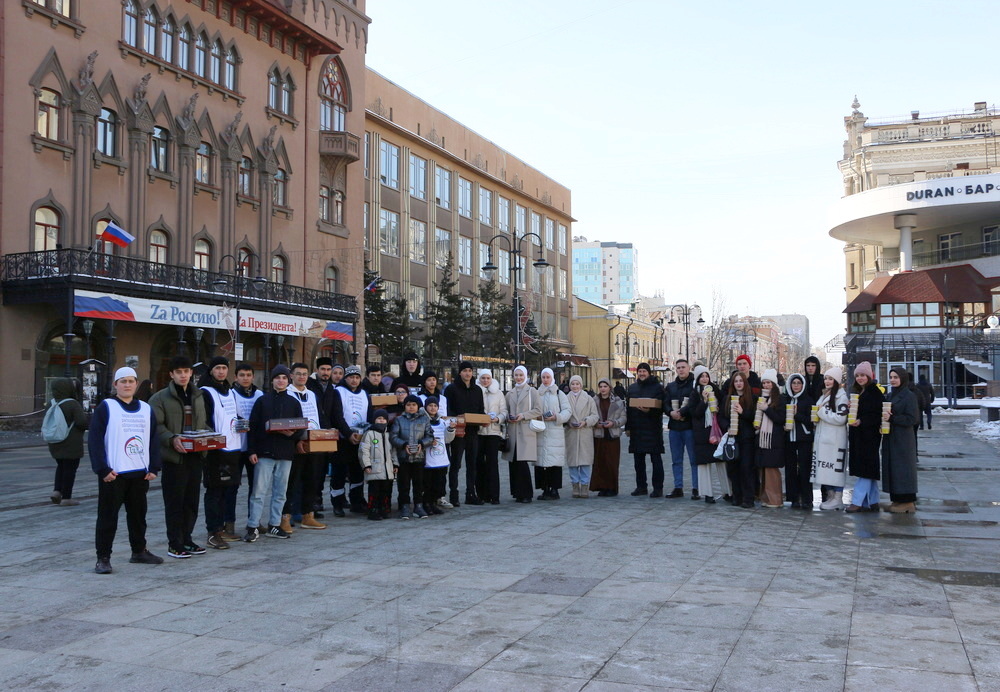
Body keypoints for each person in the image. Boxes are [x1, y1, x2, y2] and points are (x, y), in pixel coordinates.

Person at [90, 367, 163, 574]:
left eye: (131, 381)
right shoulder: (106, 407)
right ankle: (103, 557)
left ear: (136, 384)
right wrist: (102, 469)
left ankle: (139, 551)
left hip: (139, 472)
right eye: (123, 381)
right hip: (114, 474)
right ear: (116, 384)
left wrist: (154, 466)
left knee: (138, 516)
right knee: (107, 518)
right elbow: (95, 440)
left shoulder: (146, 409)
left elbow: (153, 439)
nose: (127, 385)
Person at [149, 356, 208, 559]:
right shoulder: (159, 398)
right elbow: (156, 425)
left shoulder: (198, 395)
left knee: (191, 501)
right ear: (171, 374)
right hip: (174, 458)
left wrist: (211, 436)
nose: (183, 375)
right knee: (175, 502)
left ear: (191, 373)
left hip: (195, 456)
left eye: (186, 371)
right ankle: (174, 544)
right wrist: (171, 438)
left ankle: (187, 540)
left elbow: (202, 423)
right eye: (179, 372)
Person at [245, 365, 305, 540]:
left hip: (285, 453)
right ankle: (253, 526)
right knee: (258, 492)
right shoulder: (262, 401)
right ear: (272, 380)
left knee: (280, 492)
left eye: (284, 378)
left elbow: (300, 427)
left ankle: (275, 524)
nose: (281, 381)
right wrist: (252, 451)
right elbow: (253, 427)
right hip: (265, 452)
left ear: (288, 380)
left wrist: (292, 434)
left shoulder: (294, 402)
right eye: (278, 377)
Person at [198, 356, 242, 549]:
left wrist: (241, 424)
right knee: (214, 491)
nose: (221, 371)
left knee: (227, 490)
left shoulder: (230, 391)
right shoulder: (205, 391)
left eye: (224, 368)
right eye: (218, 368)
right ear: (211, 371)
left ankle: (222, 528)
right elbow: (204, 420)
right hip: (215, 450)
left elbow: (232, 415)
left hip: (232, 446)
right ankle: (213, 532)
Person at [282, 362, 327, 532]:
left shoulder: (312, 394)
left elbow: (318, 416)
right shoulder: (287, 394)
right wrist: (297, 440)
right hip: (294, 443)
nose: (301, 377)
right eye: (298, 373)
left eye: (304, 374)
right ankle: (286, 517)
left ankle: (308, 515)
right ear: (291, 376)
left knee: (312, 480)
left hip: (313, 442)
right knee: (291, 482)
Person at [683, 366, 729, 504]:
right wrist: (704, 401)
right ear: (697, 378)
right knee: (704, 464)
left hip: (717, 431)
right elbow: (695, 413)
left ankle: (728, 492)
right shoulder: (694, 393)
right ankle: (708, 493)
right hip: (702, 433)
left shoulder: (716, 391)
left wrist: (719, 411)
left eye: (706, 376)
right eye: (702, 376)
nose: (705, 379)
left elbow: (724, 406)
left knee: (722, 462)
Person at [444, 361, 486, 506]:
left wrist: (484, 419)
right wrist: (458, 419)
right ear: (460, 372)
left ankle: (470, 493)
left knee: (472, 464)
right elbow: (448, 410)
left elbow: (481, 410)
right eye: (465, 370)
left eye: (470, 370)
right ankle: (453, 494)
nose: (467, 373)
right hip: (458, 432)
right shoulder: (451, 389)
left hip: (473, 431)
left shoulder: (477, 390)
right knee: (456, 464)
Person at [227, 363, 262, 534]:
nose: (245, 378)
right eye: (242, 375)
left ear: (253, 377)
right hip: (236, 447)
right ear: (235, 377)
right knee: (232, 487)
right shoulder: (230, 394)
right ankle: (229, 524)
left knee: (256, 488)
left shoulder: (259, 395)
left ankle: (254, 521)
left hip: (254, 447)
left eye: (248, 375)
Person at [625, 362, 666, 497]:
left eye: (644, 371)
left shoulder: (657, 387)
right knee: (638, 461)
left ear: (649, 373)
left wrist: (649, 411)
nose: (642, 373)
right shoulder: (632, 388)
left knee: (656, 460)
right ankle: (641, 487)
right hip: (637, 429)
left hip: (652, 428)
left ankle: (658, 488)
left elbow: (661, 407)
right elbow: (628, 409)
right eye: (640, 371)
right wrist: (628, 427)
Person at [846, 361, 883, 513]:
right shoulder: (860, 392)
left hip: (868, 437)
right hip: (861, 436)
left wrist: (862, 420)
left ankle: (857, 501)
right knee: (869, 469)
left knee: (866, 469)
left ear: (869, 376)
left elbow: (876, 415)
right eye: (858, 375)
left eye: (863, 375)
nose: (860, 378)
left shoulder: (874, 393)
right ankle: (873, 501)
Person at [332, 365, 369, 516]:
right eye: (351, 377)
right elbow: (337, 415)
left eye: (357, 377)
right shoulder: (338, 392)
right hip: (343, 439)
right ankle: (338, 502)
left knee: (357, 472)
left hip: (360, 439)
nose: (354, 380)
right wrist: (348, 434)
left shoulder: (365, 393)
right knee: (339, 472)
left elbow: (369, 415)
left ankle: (357, 501)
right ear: (346, 378)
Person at [502, 365, 542, 502]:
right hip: (513, 431)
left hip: (525, 430)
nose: (518, 378)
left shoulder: (532, 391)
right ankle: (517, 493)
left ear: (525, 376)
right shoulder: (510, 393)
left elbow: (538, 410)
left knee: (522, 463)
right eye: (516, 375)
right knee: (513, 462)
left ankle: (526, 493)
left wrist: (523, 415)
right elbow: (505, 410)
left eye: (521, 375)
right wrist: (508, 417)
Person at [47, 377, 88, 507]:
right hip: (71, 443)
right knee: (70, 469)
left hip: (54, 440)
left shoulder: (51, 403)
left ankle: (57, 491)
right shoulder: (72, 404)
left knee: (61, 466)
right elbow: (82, 422)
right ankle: (66, 497)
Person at [882, 368, 919, 513]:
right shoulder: (891, 394)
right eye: (891, 377)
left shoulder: (909, 396)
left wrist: (893, 418)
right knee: (894, 470)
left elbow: (912, 419)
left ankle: (907, 502)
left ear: (903, 379)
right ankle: (897, 500)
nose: (892, 380)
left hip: (903, 439)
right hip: (891, 437)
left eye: (896, 377)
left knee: (903, 470)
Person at [390, 395, 434, 519]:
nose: (411, 407)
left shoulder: (424, 420)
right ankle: (404, 506)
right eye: (408, 405)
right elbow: (393, 437)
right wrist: (403, 445)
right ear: (404, 406)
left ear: (418, 406)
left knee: (418, 483)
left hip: (419, 457)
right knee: (403, 483)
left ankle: (418, 506)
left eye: (414, 405)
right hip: (403, 457)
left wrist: (422, 444)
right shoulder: (399, 420)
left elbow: (430, 436)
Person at [813, 367, 849, 511]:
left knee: (835, 470)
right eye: (826, 379)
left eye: (830, 379)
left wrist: (821, 412)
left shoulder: (841, 397)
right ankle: (831, 496)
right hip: (824, 438)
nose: (827, 381)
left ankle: (837, 498)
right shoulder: (824, 395)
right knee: (825, 470)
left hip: (835, 440)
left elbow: (841, 418)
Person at [720, 371, 756, 508]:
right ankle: (737, 496)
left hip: (747, 438)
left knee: (746, 468)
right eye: (736, 381)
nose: (739, 383)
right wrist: (727, 426)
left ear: (745, 383)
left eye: (741, 381)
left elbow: (754, 418)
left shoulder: (752, 398)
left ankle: (749, 498)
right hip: (732, 439)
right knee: (733, 468)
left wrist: (742, 412)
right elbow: (722, 417)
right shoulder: (727, 399)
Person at [535, 367, 571, 500]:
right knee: (541, 462)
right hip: (540, 431)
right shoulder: (537, 393)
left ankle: (555, 489)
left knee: (554, 462)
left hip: (555, 432)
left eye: (548, 377)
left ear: (552, 378)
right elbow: (532, 409)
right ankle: (544, 489)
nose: (545, 380)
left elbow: (567, 411)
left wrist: (557, 417)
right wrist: (537, 417)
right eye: (543, 377)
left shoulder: (559, 393)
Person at [665, 359, 697, 499]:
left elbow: (694, 403)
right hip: (674, 428)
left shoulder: (694, 385)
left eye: (683, 367)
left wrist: (682, 412)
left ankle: (696, 488)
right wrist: (670, 412)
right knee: (676, 460)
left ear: (689, 368)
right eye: (678, 368)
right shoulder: (671, 386)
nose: (681, 370)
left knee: (694, 460)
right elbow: (665, 403)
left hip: (689, 427)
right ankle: (678, 487)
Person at [783, 373, 816, 509]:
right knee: (790, 470)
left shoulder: (808, 400)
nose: (796, 385)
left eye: (798, 383)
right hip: (789, 439)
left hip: (804, 439)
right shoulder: (785, 400)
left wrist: (797, 415)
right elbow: (780, 417)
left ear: (803, 385)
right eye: (794, 383)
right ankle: (794, 498)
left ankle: (807, 499)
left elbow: (811, 421)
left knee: (805, 469)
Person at [476, 369, 508, 504]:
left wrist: (498, 419)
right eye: (483, 378)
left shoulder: (498, 393)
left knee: (492, 464)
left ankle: (494, 495)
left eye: (488, 378)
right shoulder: (475, 391)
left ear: (491, 379)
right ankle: (481, 494)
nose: (485, 381)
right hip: (479, 432)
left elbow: (504, 411)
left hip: (493, 432)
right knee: (479, 464)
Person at [590, 378, 627, 497]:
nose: (603, 389)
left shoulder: (617, 401)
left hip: (612, 435)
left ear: (610, 387)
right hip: (599, 435)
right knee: (600, 462)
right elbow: (590, 415)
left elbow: (623, 417)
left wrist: (614, 423)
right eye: (600, 386)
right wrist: (595, 423)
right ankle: (601, 487)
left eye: (605, 386)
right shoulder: (594, 401)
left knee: (611, 462)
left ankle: (612, 488)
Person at [564, 375, 599, 498]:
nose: (575, 386)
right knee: (572, 462)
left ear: (581, 385)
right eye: (573, 384)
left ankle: (584, 485)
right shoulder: (565, 398)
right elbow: (562, 413)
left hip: (585, 433)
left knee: (585, 461)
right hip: (571, 433)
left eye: (577, 384)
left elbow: (595, 416)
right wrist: (568, 422)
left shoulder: (589, 399)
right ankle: (575, 485)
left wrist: (585, 421)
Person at [756, 369, 785, 508]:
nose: (766, 385)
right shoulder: (761, 398)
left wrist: (767, 409)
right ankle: (766, 497)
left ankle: (775, 499)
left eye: (769, 382)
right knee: (764, 468)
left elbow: (780, 419)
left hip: (774, 439)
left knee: (771, 469)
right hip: (762, 438)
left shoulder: (780, 399)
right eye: (764, 383)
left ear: (774, 383)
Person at [360, 409, 396, 520]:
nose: (381, 421)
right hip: (374, 469)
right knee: (374, 491)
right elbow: (363, 450)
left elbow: (393, 451)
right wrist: (366, 465)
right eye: (379, 418)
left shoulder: (389, 434)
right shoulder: (369, 434)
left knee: (386, 491)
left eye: (384, 419)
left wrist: (395, 464)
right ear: (374, 420)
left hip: (387, 470)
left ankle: (384, 509)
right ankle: (373, 510)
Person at [422, 396, 453, 515]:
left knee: (438, 483)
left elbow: (448, 439)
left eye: (435, 406)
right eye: (430, 405)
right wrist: (429, 441)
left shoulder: (443, 421)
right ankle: (426, 504)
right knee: (427, 483)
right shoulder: (422, 421)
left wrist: (451, 429)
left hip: (441, 458)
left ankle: (434, 503)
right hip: (428, 458)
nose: (433, 408)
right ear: (425, 407)